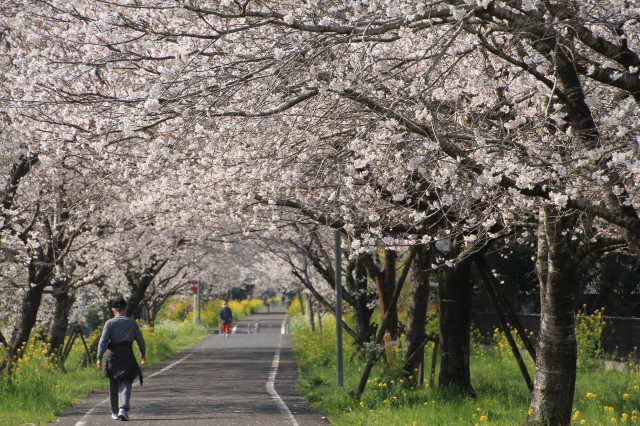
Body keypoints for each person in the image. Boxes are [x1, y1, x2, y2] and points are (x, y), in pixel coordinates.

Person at [96, 296, 146, 421]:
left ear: (113, 310)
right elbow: (140, 340)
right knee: (126, 382)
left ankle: (114, 411)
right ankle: (123, 409)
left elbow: (103, 341)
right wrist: (142, 354)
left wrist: (99, 357)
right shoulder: (131, 322)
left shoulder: (109, 323)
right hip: (127, 355)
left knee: (113, 383)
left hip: (112, 356)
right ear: (126, 308)